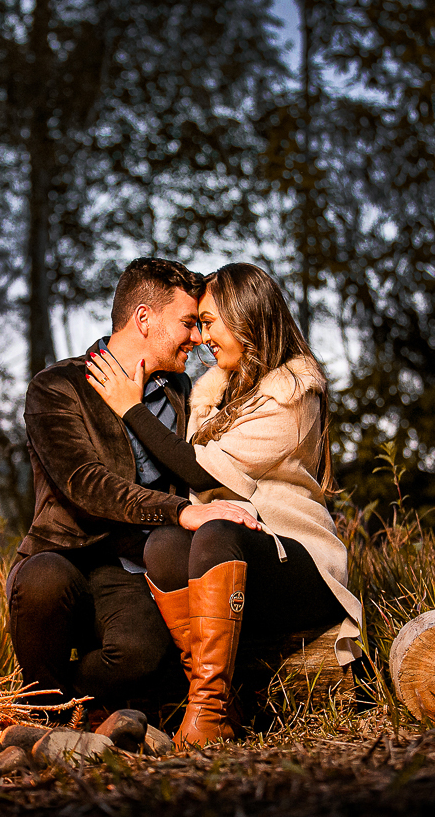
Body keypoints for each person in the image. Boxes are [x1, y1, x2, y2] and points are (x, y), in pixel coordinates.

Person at [86, 262, 364, 747]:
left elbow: (202, 470)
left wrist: (130, 408)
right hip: (235, 558)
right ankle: (218, 698)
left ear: (245, 318)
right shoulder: (217, 392)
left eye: (209, 322)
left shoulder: (293, 394)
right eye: (196, 324)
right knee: (167, 544)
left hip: (299, 566)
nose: (201, 336)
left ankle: (208, 713)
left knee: (213, 532)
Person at [8, 257, 263, 711]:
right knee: (43, 582)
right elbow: (83, 481)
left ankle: (67, 704)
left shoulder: (183, 393)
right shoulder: (57, 386)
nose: (198, 337)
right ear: (143, 318)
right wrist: (180, 512)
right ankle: (41, 718)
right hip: (64, 555)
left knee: (141, 656)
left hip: (129, 568)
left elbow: (207, 460)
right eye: (188, 323)